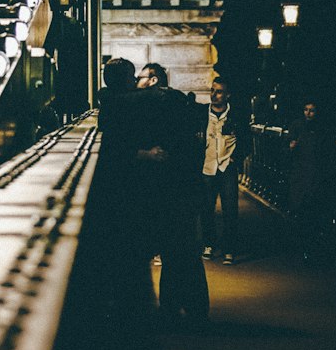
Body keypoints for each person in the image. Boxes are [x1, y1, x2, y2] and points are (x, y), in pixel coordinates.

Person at [105, 60, 208, 326]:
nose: (136, 80)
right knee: (180, 250)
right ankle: (186, 307)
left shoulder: (123, 105)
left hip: (143, 193)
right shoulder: (154, 102)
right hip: (169, 191)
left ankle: (155, 310)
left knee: (148, 252)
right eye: (133, 76)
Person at [200, 78, 250, 263]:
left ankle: (229, 248)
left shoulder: (236, 116)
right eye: (212, 90)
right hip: (207, 166)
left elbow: (245, 141)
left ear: (227, 95)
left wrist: (235, 158)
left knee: (230, 209)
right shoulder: (202, 114)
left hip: (226, 166)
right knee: (206, 208)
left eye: (219, 91)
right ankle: (209, 244)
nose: (214, 95)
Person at [288, 99, 331, 262]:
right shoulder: (297, 126)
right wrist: (291, 147)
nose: (308, 113)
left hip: (314, 175)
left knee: (311, 210)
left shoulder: (321, 130)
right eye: (306, 109)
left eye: (311, 110)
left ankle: (309, 247)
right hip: (300, 174)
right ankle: (301, 246)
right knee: (300, 208)